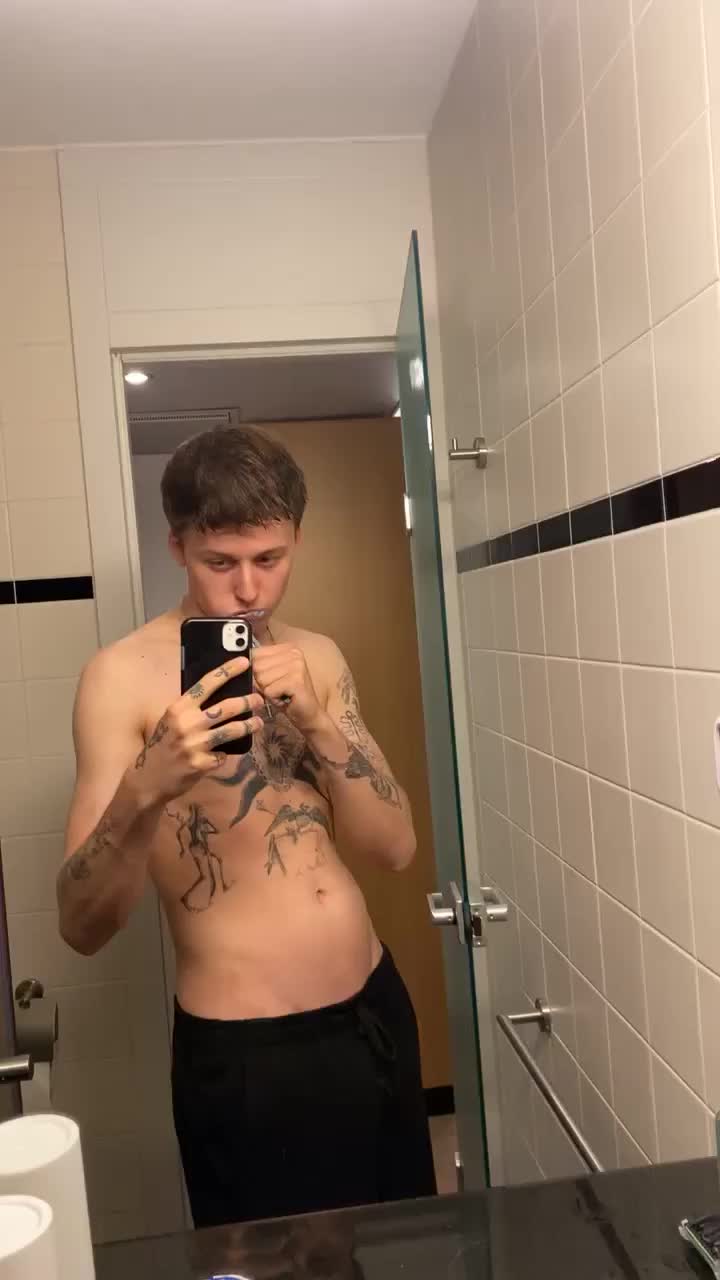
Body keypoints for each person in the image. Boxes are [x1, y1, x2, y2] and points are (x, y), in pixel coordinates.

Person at [58, 425, 437, 1228]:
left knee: (405, 1248)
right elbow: (81, 924)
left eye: (270, 559)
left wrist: (319, 722)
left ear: (296, 539)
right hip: (248, 1056)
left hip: (373, 1015)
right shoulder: (119, 679)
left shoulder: (319, 658)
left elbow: (396, 848)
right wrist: (147, 785)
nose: (248, 589)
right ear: (177, 546)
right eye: (220, 562)